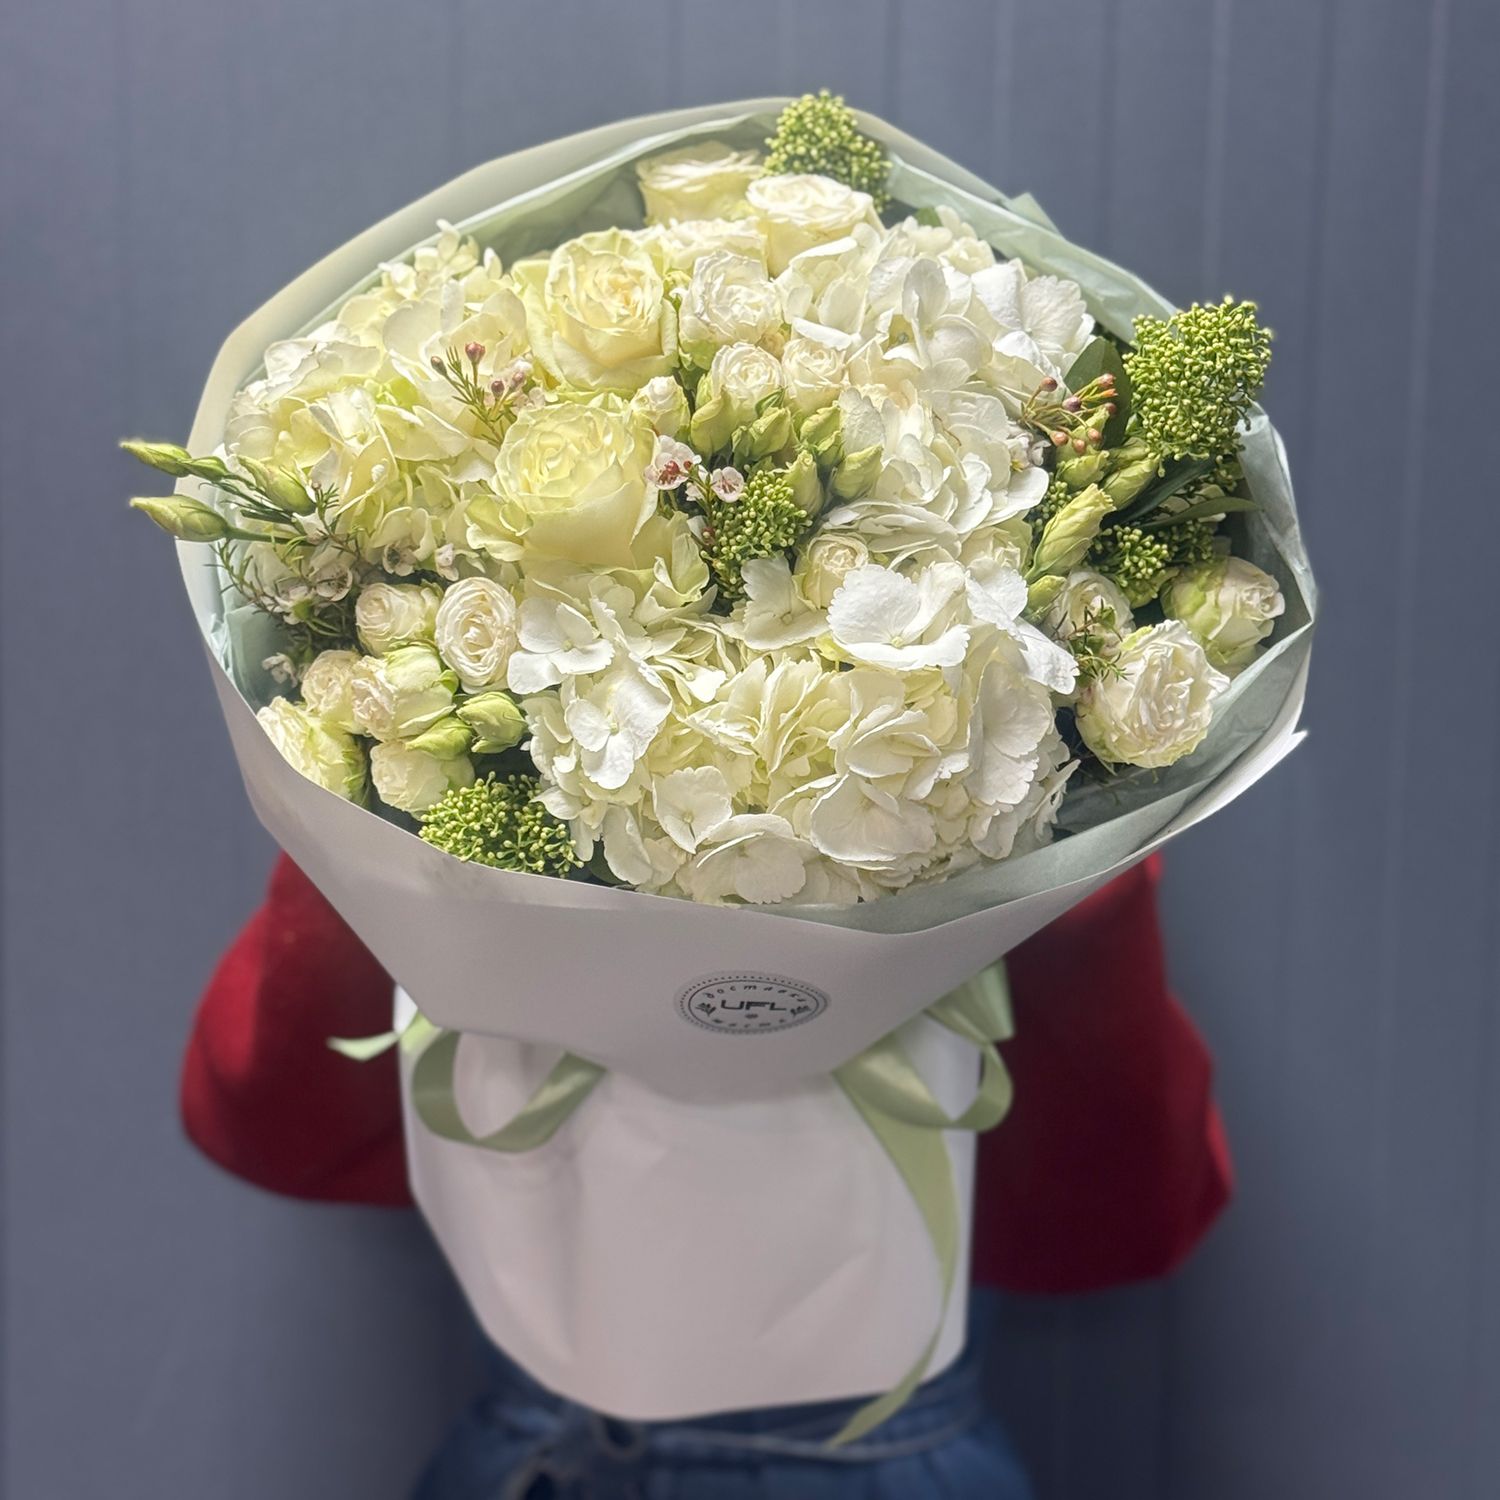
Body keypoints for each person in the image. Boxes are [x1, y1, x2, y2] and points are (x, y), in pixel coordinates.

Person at [184, 853, 1230, 1498]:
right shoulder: (1016, 745)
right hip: (852, 1461)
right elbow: (1119, 1204)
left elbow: (279, 1113)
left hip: (557, 1450)